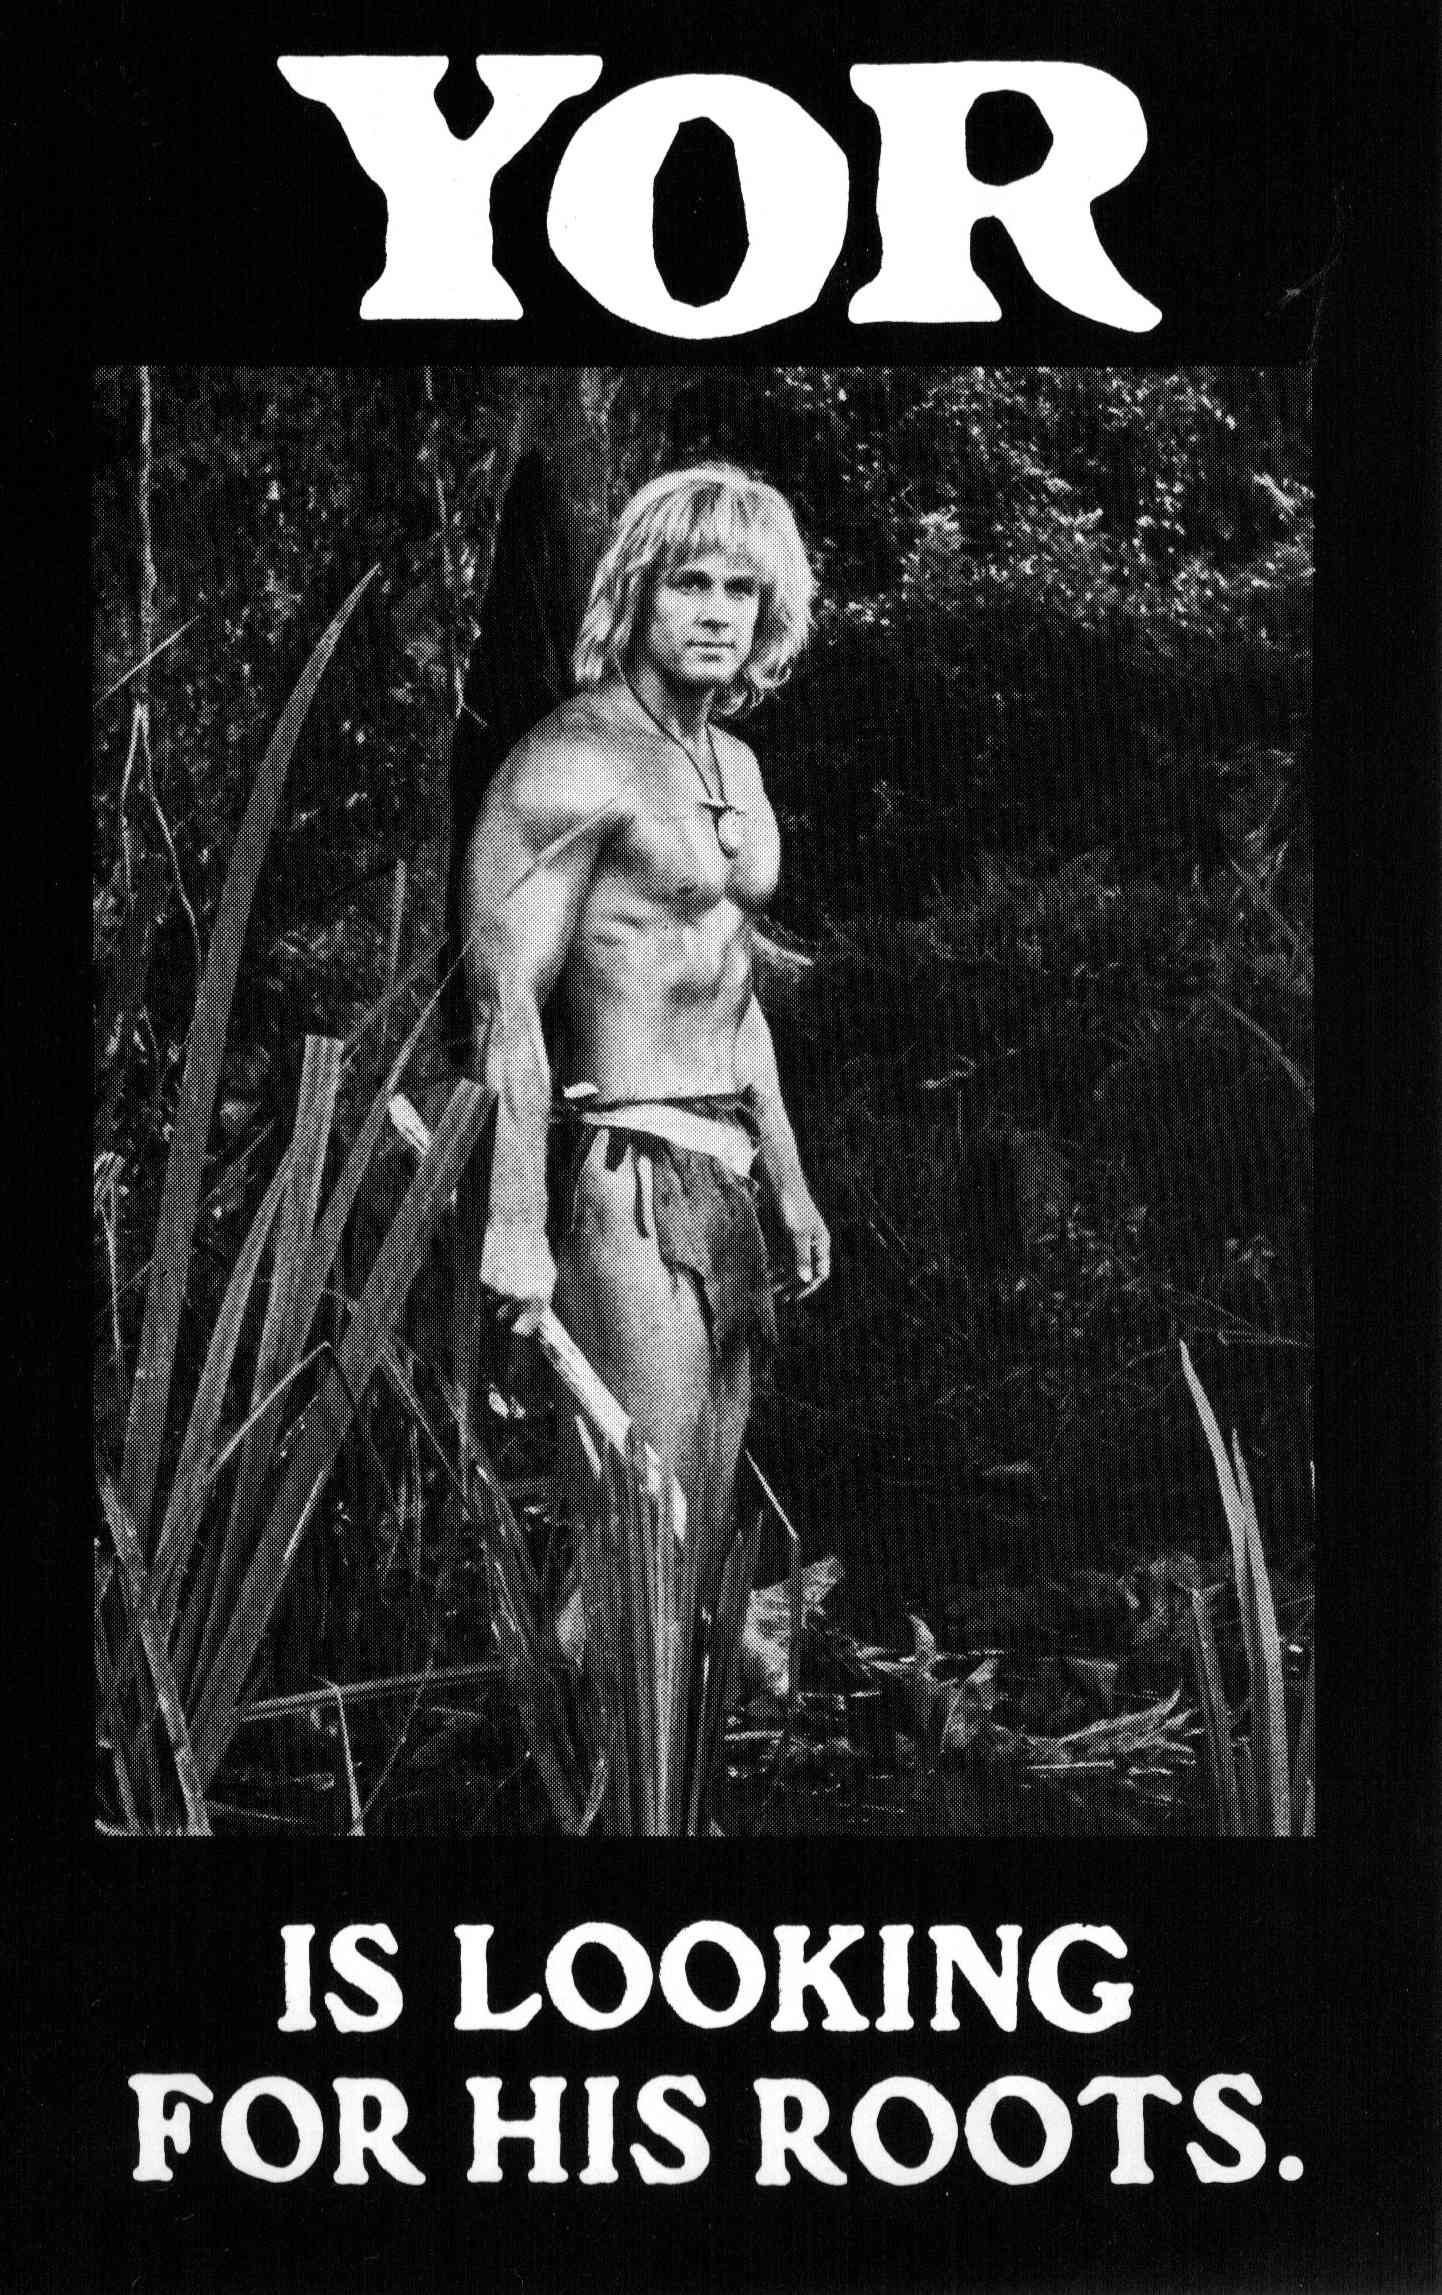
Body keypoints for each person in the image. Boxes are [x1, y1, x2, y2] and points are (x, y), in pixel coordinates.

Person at [458, 463, 830, 1628]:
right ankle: (614, 1747)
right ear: (637, 592)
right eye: (689, 583)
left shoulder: (735, 768)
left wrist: (788, 1177)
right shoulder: (572, 759)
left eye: (740, 590)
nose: (717, 612)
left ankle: (649, 1745)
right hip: (626, 1178)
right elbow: (504, 1000)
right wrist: (515, 1222)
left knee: (696, 1538)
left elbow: (731, 983)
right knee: (640, 1539)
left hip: (726, 1179)